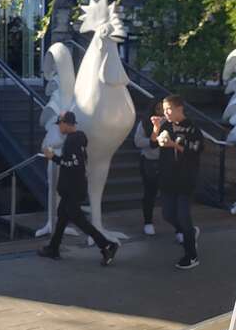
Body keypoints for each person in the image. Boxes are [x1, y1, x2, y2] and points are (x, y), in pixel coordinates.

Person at [39, 111, 120, 266]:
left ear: (65, 123)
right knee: (62, 217)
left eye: (60, 124)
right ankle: (53, 248)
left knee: (79, 220)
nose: (59, 127)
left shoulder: (72, 141)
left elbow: (73, 164)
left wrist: (53, 157)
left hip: (72, 188)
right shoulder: (78, 139)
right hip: (74, 186)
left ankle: (106, 245)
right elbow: (77, 163)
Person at [150, 95, 204, 270]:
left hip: (185, 179)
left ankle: (191, 255)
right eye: (164, 109)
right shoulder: (165, 125)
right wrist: (156, 128)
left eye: (169, 109)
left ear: (180, 108)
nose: (166, 112)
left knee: (183, 217)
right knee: (168, 215)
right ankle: (190, 232)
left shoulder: (192, 128)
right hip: (167, 178)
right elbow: (153, 143)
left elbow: (196, 149)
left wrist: (174, 145)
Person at [134, 97, 162, 235]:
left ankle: (179, 227)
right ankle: (148, 222)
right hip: (149, 161)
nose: (161, 111)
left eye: (164, 108)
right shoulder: (145, 123)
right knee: (150, 194)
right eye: (158, 108)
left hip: (167, 162)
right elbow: (137, 141)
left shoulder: (170, 122)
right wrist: (151, 143)